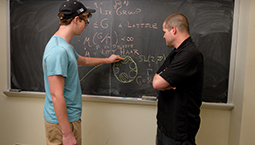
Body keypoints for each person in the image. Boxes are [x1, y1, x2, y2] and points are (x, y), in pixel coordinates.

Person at [42, 0, 122, 145]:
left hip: (69, 119)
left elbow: (83, 60)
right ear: (76, 20)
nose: (86, 26)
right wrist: (66, 134)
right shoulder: (58, 51)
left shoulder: (65, 46)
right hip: (62, 124)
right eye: (86, 21)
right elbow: (56, 95)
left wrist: (107, 60)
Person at [152, 13, 204, 145]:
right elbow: (157, 77)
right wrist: (168, 81)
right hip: (165, 127)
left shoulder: (190, 54)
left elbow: (157, 83)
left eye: (164, 31)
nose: (163, 36)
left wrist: (165, 80)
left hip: (178, 132)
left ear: (173, 30)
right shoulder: (176, 52)